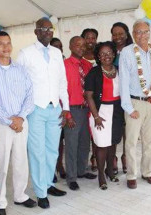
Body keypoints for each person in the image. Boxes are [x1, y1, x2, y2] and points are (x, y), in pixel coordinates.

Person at [0, 31, 36, 215]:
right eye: (1, 44)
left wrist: (20, 117)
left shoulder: (20, 69)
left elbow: (30, 94)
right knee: (1, 164)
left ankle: (20, 195)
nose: (6, 47)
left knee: (21, 161)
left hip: (21, 122)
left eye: (8, 43)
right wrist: (8, 120)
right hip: (2, 125)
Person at [17, 17, 68, 209]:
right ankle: (40, 192)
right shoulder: (25, 53)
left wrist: (66, 107)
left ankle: (48, 184)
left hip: (54, 108)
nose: (47, 32)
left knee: (52, 150)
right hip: (35, 109)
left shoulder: (56, 53)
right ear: (36, 32)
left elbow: (62, 82)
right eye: (43, 29)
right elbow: (19, 83)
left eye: (50, 29)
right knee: (37, 152)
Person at [119, 20, 151, 189]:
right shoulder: (127, 53)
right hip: (134, 102)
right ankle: (131, 174)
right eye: (138, 32)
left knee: (149, 141)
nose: (142, 35)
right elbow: (123, 82)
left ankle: (147, 172)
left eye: (145, 32)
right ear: (133, 34)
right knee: (131, 142)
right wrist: (128, 108)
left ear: (149, 33)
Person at [85, 41, 123, 190]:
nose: (106, 56)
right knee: (101, 145)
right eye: (102, 54)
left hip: (117, 112)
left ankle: (109, 170)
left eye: (109, 53)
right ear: (98, 57)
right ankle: (101, 174)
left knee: (112, 143)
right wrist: (96, 117)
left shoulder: (120, 70)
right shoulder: (94, 73)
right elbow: (89, 96)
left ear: (114, 54)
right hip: (100, 112)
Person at [64, 36, 97, 191]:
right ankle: (71, 177)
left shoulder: (88, 65)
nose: (81, 48)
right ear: (70, 46)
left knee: (85, 143)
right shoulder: (64, 65)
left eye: (83, 45)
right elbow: (60, 91)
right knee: (71, 144)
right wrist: (67, 114)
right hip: (72, 109)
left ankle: (81, 170)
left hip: (87, 110)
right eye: (77, 45)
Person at [110, 22, 133, 174]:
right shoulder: (109, 50)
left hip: (129, 94)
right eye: (115, 34)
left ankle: (125, 156)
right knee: (114, 127)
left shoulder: (132, 50)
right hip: (113, 95)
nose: (118, 37)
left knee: (127, 128)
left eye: (121, 33)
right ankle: (113, 158)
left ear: (127, 34)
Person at [81, 28, 99, 172]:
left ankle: (95, 157)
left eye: (93, 38)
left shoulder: (100, 56)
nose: (90, 41)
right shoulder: (79, 57)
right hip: (82, 101)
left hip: (98, 100)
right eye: (88, 38)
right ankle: (84, 159)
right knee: (87, 132)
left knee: (97, 131)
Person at [50, 37, 66, 182]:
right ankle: (54, 168)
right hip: (53, 108)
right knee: (55, 141)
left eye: (60, 47)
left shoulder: (64, 62)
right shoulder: (48, 63)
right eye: (55, 46)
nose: (58, 49)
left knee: (61, 141)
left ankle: (60, 165)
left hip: (67, 106)